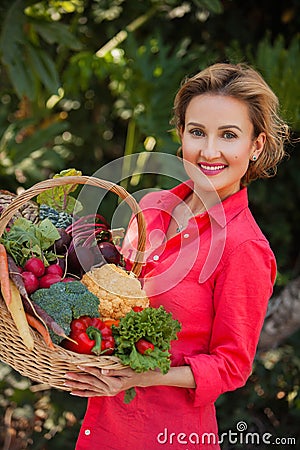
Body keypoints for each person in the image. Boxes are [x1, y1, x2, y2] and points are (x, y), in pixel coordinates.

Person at [64, 62, 289, 449]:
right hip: (102, 425)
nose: (209, 150)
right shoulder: (150, 207)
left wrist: (144, 375)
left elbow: (232, 366)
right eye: (197, 132)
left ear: (257, 146)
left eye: (229, 135)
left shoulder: (244, 248)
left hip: (167, 434)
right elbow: (110, 307)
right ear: (181, 134)